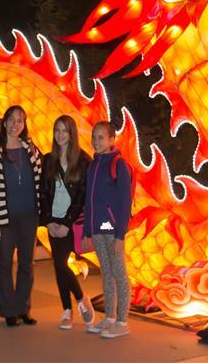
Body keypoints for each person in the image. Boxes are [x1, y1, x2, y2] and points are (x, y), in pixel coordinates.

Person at [0, 105, 43, 327]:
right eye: (12, 119)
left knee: (27, 263)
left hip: (29, 215)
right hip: (5, 218)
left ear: (24, 124)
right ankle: (9, 310)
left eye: (21, 120)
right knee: (5, 263)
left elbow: (40, 178)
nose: (16, 124)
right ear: (5, 122)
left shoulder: (30, 148)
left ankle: (23, 308)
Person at [39, 115, 95, 330]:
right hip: (54, 220)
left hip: (72, 222)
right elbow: (43, 193)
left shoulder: (83, 161)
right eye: (57, 130)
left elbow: (82, 196)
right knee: (58, 264)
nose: (60, 135)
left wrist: (67, 223)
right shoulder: (48, 159)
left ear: (72, 134)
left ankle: (79, 301)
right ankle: (69, 309)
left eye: (65, 131)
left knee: (61, 264)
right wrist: (49, 221)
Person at [81, 121, 132, 338]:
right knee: (107, 272)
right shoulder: (94, 164)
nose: (96, 141)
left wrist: (120, 235)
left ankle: (122, 322)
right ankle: (109, 317)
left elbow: (124, 201)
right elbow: (89, 201)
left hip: (112, 226)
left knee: (119, 272)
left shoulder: (118, 164)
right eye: (94, 137)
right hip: (99, 226)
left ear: (112, 140)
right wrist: (86, 232)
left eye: (101, 137)